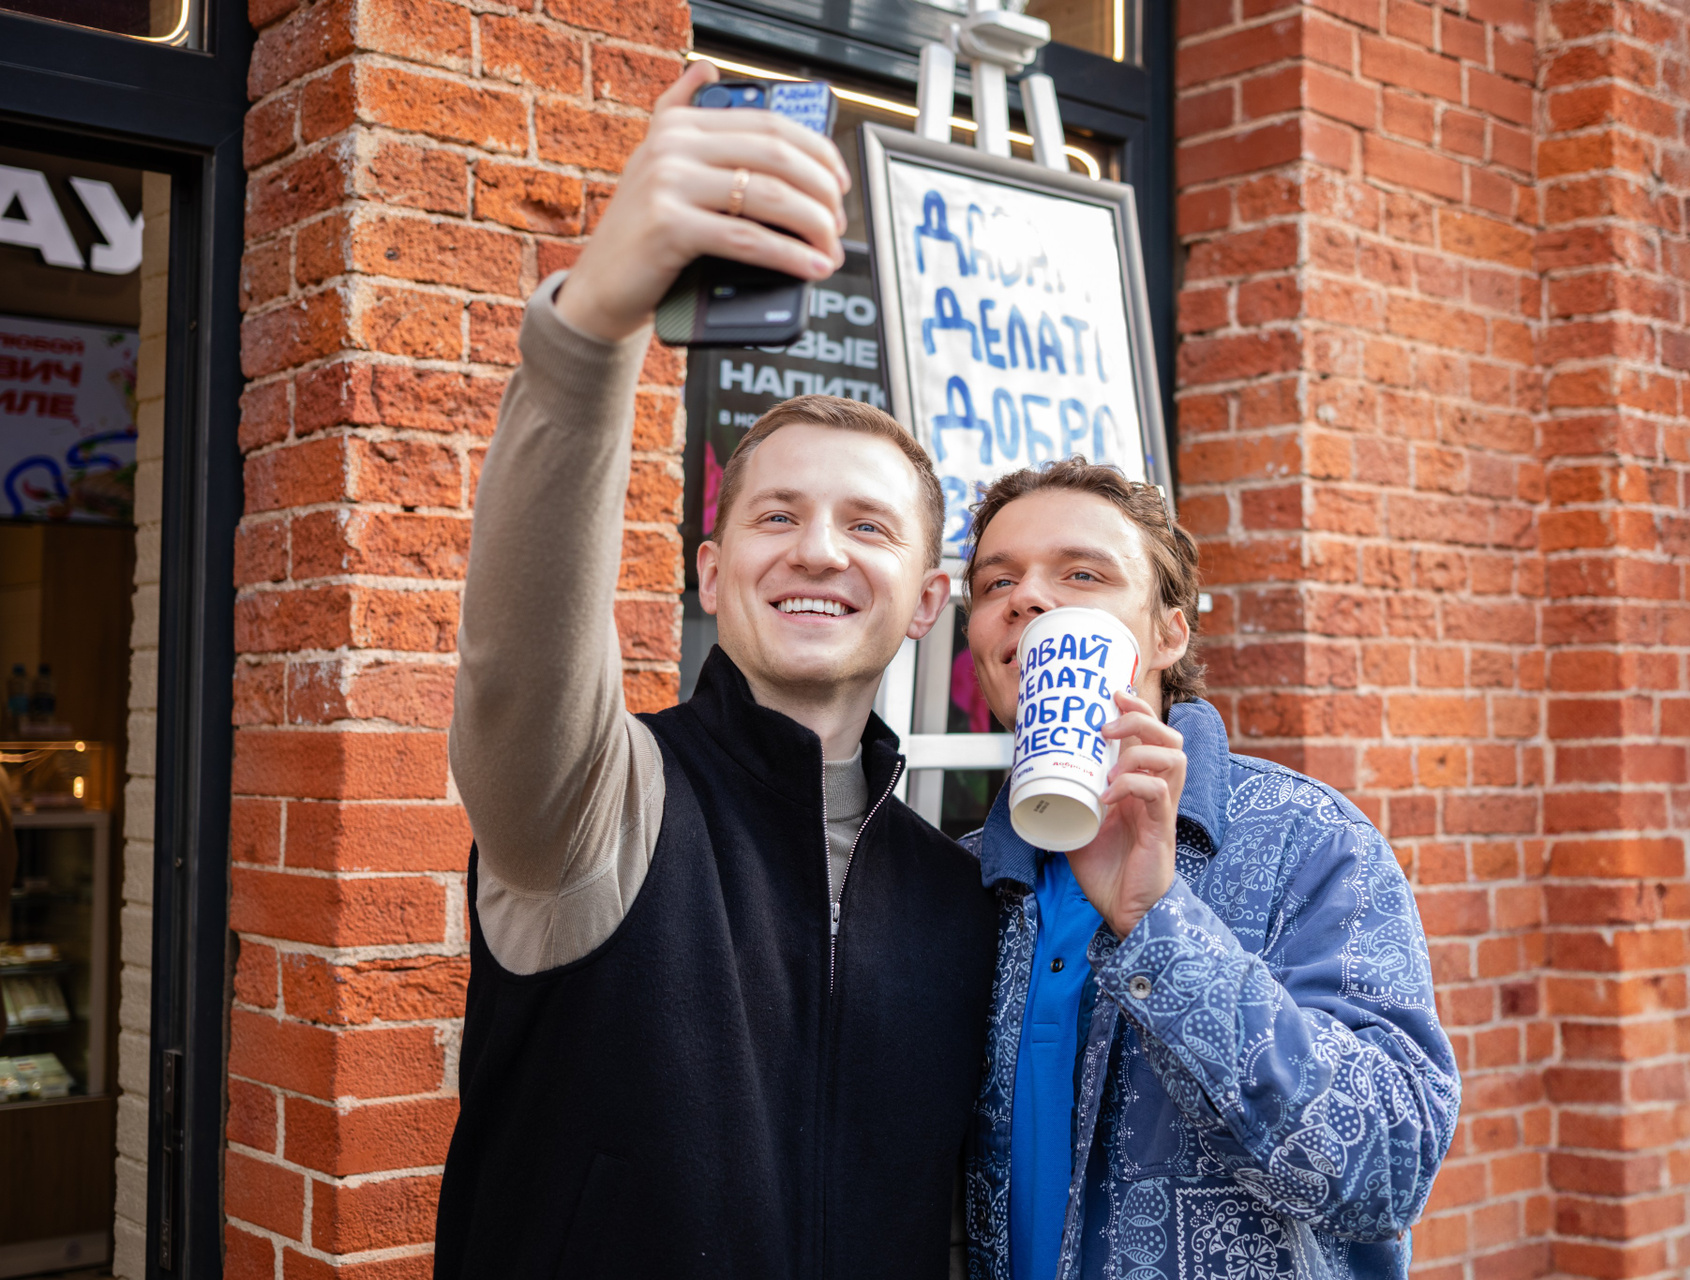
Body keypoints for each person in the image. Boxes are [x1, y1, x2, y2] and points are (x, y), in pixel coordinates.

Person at [432, 59, 998, 1279]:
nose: (818, 550)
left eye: (868, 526)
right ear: (710, 570)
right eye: (776, 514)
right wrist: (593, 327)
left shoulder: (959, 899)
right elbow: (521, 668)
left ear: (926, 601)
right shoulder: (604, 806)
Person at [958, 459, 1461, 1280]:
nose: (1027, 597)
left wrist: (1161, 926)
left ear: (1169, 635)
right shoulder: (963, 880)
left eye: (1081, 574)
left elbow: (1390, 1167)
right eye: (996, 583)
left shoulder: (1308, 838)